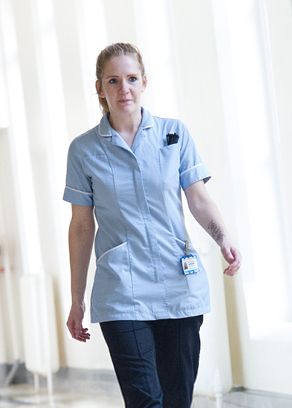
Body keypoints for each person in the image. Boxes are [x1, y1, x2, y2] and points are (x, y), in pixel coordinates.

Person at [64, 43, 241, 408]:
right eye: (113, 81)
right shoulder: (83, 150)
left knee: (177, 400)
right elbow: (82, 227)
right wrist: (76, 299)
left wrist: (223, 239)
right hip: (121, 292)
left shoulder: (173, 134)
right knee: (145, 401)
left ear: (144, 82)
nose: (123, 89)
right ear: (99, 88)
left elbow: (198, 197)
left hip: (178, 287)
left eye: (131, 79)